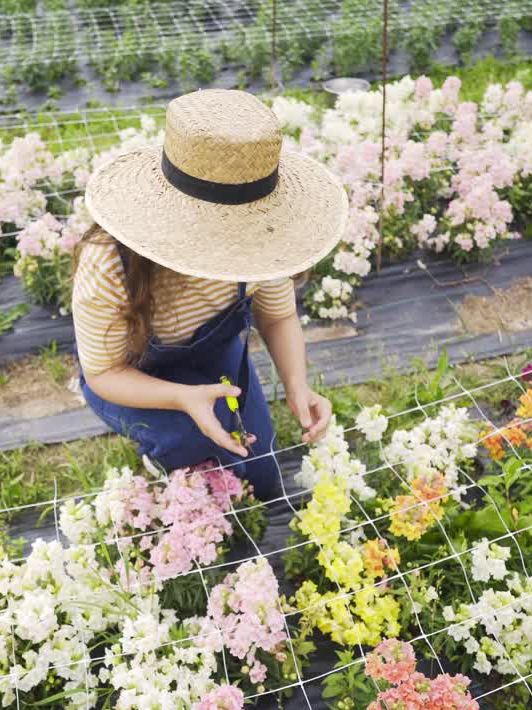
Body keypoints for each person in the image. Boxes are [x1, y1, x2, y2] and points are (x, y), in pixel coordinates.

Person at [71, 88, 349, 500]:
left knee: (260, 475)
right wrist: (183, 397)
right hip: (132, 373)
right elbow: (104, 373)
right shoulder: (109, 264)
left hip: (214, 354)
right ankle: (164, 454)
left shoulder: (263, 240)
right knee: (188, 442)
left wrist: (297, 386)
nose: (231, 249)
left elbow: (278, 316)